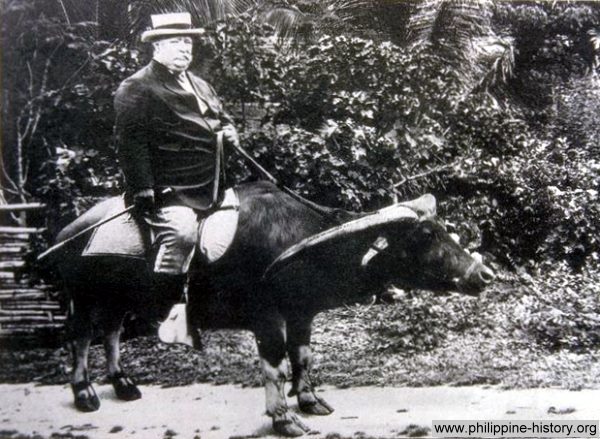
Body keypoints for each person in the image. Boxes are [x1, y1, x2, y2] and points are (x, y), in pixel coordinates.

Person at [114, 12, 240, 305]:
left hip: (212, 183)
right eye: (176, 42)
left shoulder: (200, 85)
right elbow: (130, 142)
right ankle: (164, 305)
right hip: (169, 188)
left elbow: (222, 120)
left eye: (188, 42)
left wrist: (231, 132)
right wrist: (143, 188)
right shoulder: (138, 86)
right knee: (182, 235)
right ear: (157, 47)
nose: (185, 48)